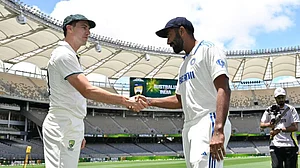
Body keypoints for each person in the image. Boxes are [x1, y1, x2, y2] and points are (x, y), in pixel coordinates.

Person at [43, 14, 147, 168]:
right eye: (84, 27)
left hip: (70, 124)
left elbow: (75, 97)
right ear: (69, 28)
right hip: (63, 124)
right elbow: (87, 90)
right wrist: (126, 101)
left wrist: (78, 131)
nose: (88, 32)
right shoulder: (64, 55)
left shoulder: (70, 55)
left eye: (89, 28)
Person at [137, 17, 232, 168]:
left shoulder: (208, 49)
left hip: (208, 120)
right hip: (189, 126)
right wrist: (150, 101)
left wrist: (218, 130)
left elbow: (224, 88)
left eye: (169, 35)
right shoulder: (184, 65)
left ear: (181, 31)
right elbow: (180, 100)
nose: (168, 42)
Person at [260, 87, 299, 168]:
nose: (281, 99)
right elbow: (262, 125)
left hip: (290, 144)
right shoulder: (269, 110)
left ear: (285, 97)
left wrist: (280, 130)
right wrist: (269, 125)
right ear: (275, 98)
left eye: (282, 97)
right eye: (278, 97)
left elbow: (295, 127)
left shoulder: (290, 109)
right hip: (275, 145)